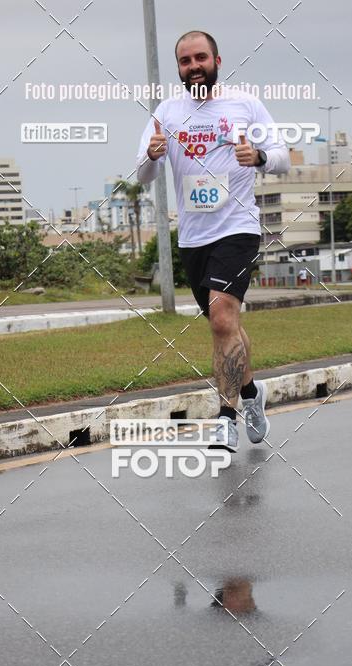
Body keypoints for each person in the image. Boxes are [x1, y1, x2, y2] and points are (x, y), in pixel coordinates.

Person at [136, 30, 290, 453]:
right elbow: (144, 175)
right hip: (194, 237)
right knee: (226, 325)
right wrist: (152, 155)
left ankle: (225, 417)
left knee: (222, 319)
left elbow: (282, 158)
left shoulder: (245, 104)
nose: (194, 66)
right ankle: (252, 393)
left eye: (200, 58)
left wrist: (259, 157)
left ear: (217, 61)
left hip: (237, 228)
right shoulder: (167, 112)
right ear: (179, 68)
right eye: (185, 61)